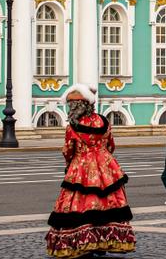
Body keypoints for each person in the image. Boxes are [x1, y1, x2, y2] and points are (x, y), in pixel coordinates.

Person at [45, 84, 135, 258]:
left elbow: (68, 150)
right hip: (105, 166)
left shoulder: (72, 127)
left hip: (81, 166)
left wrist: (71, 162)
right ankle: (103, 241)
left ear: (76, 107)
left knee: (78, 203)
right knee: (108, 201)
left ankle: (83, 241)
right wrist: (103, 157)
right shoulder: (104, 122)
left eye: (71, 106)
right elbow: (111, 144)